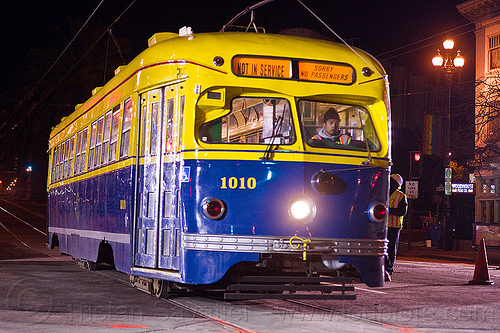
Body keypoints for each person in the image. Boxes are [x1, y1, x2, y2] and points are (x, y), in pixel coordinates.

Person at [385, 173, 408, 282]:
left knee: (391, 249)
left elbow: (402, 212)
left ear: (396, 184)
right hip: (382, 226)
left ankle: (388, 270)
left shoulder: (401, 196)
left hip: (394, 227)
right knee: (383, 249)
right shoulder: (383, 192)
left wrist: (388, 210)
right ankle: (384, 267)